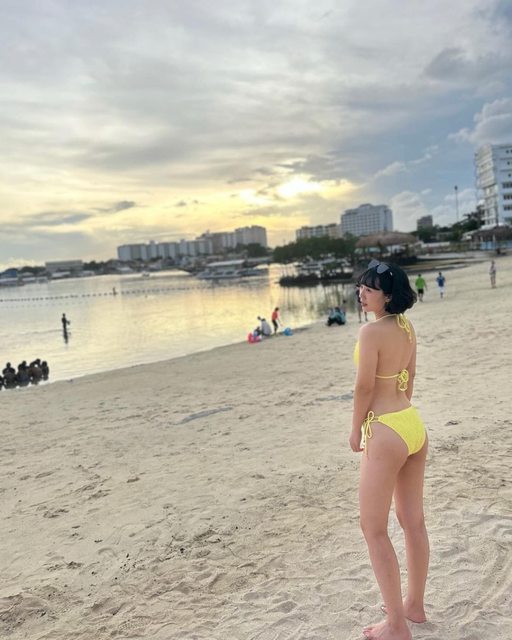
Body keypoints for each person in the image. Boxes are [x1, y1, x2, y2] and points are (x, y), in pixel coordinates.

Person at [350, 260, 428, 640]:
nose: (361, 294)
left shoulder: (370, 332)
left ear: (388, 296)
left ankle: (397, 625)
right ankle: (414, 605)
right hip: (411, 424)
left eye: (370, 289)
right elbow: (408, 379)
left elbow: (364, 387)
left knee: (373, 527)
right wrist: (400, 411)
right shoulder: (406, 327)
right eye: (361, 287)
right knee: (413, 521)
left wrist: (356, 430)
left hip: (385, 430)